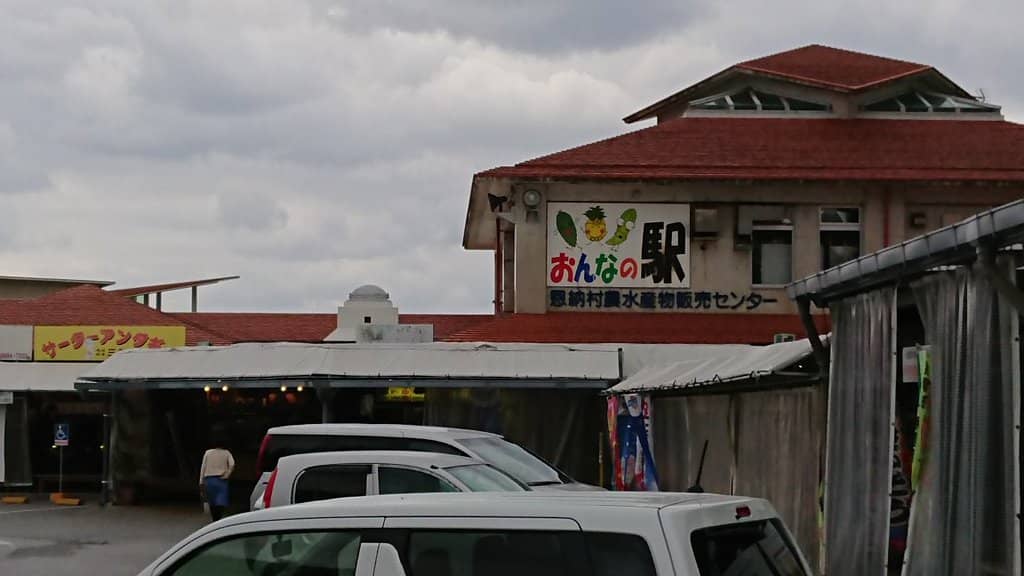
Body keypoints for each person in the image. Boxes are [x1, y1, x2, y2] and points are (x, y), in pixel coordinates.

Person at [199, 435, 235, 522]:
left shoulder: (208, 452)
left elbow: (203, 467)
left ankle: (214, 518)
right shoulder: (227, 453)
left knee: (212, 502)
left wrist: (201, 481)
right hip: (221, 480)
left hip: (209, 480)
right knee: (220, 502)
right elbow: (232, 464)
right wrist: (227, 474)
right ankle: (218, 518)